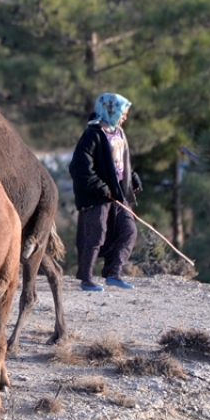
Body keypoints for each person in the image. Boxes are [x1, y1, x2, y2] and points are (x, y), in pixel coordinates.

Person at [69, 93, 141, 292]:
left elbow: (118, 164)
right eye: (122, 113)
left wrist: (131, 177)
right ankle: (86, 277)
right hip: (97, 197)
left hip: (119, 194)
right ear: (111, 111)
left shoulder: (118, 132)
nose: (125, 117)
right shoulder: (92, 135)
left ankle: (113, 273)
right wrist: (102, 189)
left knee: (128, 231)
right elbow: (79, 169)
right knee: (96, 234)